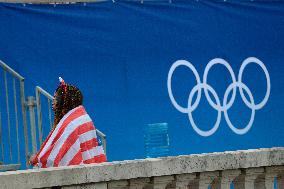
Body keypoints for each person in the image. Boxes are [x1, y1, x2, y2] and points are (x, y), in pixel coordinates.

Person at [31, 77, 106, 168]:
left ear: (64, 101)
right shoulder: (83, 118)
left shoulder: (71, 124)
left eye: (55, 98)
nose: (52, 102)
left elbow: (53, 158)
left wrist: (37, 159)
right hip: (92, 169)